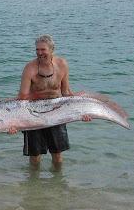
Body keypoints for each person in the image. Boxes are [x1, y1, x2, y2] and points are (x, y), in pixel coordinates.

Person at [15, 34, 91, 168]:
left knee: (57, 154)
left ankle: (58, 184)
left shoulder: (62, 64)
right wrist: (15, 122)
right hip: (34, 113)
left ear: (51, 50)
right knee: (35, 155)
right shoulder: (30, 68)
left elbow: (66, 92)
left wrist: (81, 112)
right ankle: (34, 185)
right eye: (37, 50)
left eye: (43, 49)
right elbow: (22, 97)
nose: (39, 53)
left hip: (57, 111)